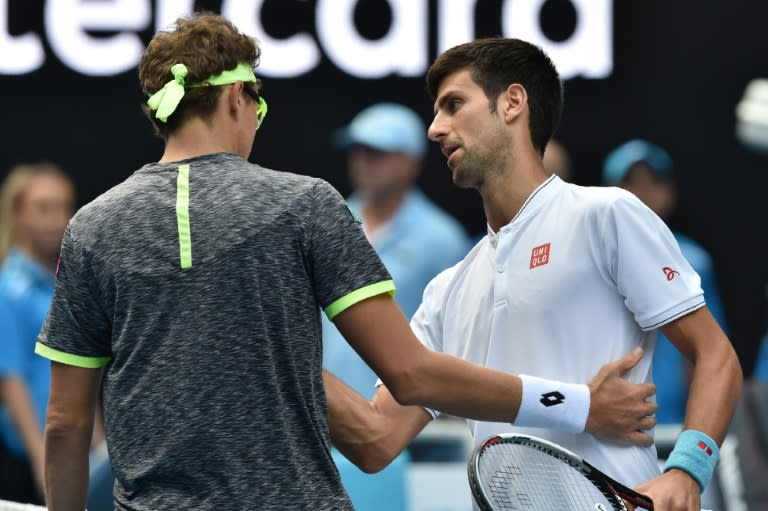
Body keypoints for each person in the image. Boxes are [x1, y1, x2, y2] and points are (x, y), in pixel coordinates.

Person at [33, 14, 656, 511]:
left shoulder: (91, 227)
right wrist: (574, 404)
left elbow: (64, 423)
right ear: (236, 102)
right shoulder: (302, 205)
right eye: (259, 107)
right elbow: (410, 377)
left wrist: (252, 352)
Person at [324, 37, 742, 511]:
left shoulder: (605, 214)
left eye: (454, 105)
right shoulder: (447, 291)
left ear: (513, 103)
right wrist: (277, 341)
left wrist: (687, 470)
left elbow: (715, 354)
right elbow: (375, 439)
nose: (435, 129)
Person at [323, 102, 468, 398]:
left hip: (403, 422)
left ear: (412, 162)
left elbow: (456, 338)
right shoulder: (323, 223)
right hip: (320, 416)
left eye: (377, 153)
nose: (363, 161)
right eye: (358, 150)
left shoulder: (442, 239)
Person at [602, 139, 730, 424]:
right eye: (630, 182)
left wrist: (697, 427)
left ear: (670, 192)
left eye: (653, 182)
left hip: (674, 424)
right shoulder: (592, 259)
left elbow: (709, 353)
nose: (643, 192)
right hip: (609, 423)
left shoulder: (695, 260)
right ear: (608, 193)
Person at [0, 162, 75, 505]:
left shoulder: (62, 284)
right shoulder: (8, 288)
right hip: (28, 456)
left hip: (67, 450)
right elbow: (10, 379)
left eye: (63, 207)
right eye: (43, 208)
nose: (57, 219)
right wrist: (39, 458)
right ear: (17, 214)